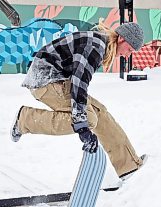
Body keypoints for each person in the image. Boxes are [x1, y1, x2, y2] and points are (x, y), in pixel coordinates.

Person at [10, 21, 147, 180]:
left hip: (58, 79)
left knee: (99, 112)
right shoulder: (96, 47)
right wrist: (82, 128)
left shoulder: (101, 44)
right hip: (44, 80)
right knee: (88, 119)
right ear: (122, 39)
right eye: (129, 50)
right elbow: (79, 83)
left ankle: (128, 167)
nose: (127, 55)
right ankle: (25, 119)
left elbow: (78, 83)